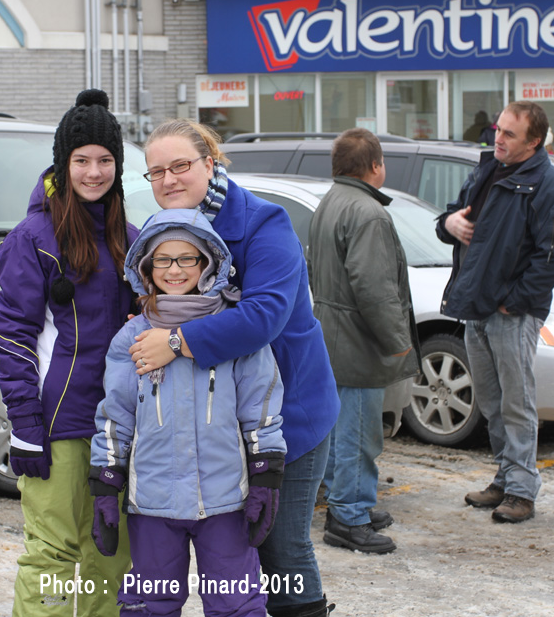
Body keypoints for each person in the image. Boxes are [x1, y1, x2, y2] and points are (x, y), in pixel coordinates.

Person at [128, 119, 341, 617]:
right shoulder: (165, 235)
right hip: (216, 427)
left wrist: (177, 342)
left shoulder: (265, 224)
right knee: (235, 557)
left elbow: (264, 315)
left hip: (291, 414)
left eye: (180, 166)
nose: (168, 180)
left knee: (280, 551)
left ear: (211, 163)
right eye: (155, 172)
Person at [90, 208, 286, 616]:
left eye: (187, 258)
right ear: (146, 266)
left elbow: (261, 409)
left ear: (208, 264)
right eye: (163, 259)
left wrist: (265, 476)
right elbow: (115, 417)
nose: (174, 270)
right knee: (150, 604)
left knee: (237, 605)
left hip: (225, 503)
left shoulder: (234, 330)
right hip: (153, 506)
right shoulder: (131, 337)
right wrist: (107, 484)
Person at [0, 88, 138, 616]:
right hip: (58, 426)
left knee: (111, 555)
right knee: (52, 556)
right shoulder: (35, 238)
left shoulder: (133, 239)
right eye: (82, 160)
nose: (94, 172)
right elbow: (11, 335)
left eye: (104, 160)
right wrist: (26, 426)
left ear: (118, 166)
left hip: (119, 427)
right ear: (63, 163)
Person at [436, 100, 554, 524]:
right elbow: (451, 217)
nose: (497, 138)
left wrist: (513, 301)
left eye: (509, 134)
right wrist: (449, 225)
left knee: (517, 404)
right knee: (493, 402)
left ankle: (521, 490)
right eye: (498, 129)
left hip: (511, 313)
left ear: (534, 141)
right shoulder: (485, 170)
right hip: (475, 307)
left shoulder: (550, 186)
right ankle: (504, 477)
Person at [307, 128, 420, 555]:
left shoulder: (331, 202)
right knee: (358, 433)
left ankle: (349, 502)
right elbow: (373, 287)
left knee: (341, 431)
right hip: (357, 341)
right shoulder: (367, 212)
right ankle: (348, 516)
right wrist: (397, 339)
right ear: (375, 166)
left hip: (332, 334)